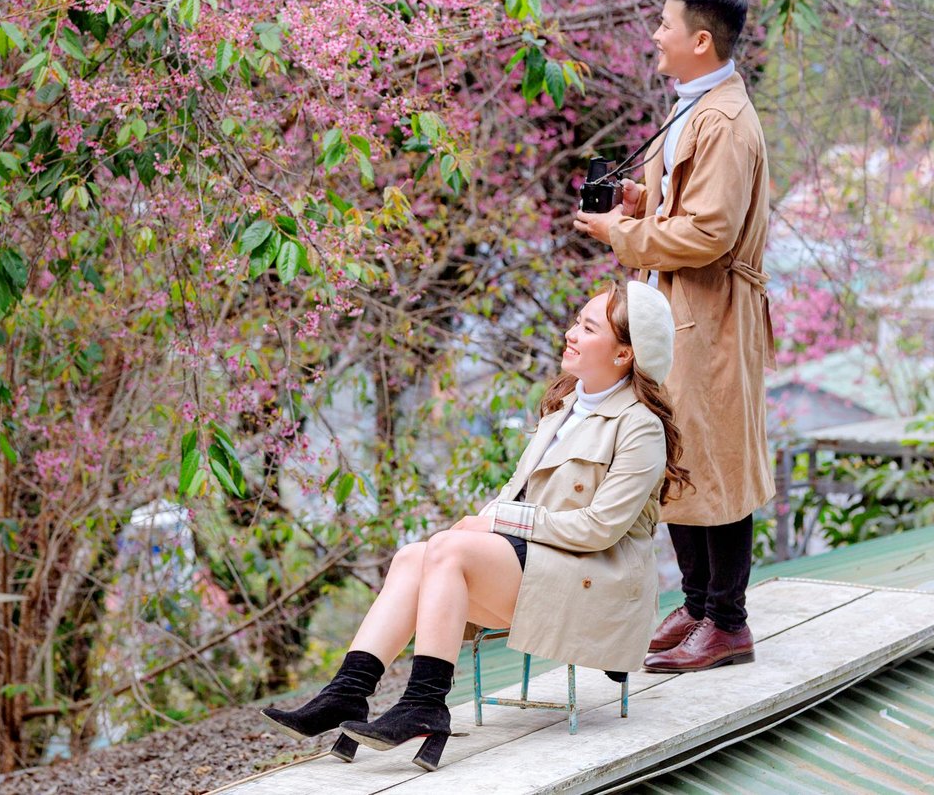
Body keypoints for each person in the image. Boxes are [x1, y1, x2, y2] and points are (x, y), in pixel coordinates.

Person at [261, 282, 687, 771]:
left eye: (588, 328)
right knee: (412, 556)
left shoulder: (639, 426)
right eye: (577, 321)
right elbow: (515, 491)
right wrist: (490, 520)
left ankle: (425, 702)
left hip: (598, 583)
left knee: (448, 550)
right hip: (547, 563)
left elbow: (599, 529)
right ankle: (348, 692)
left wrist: (497, 522)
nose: (571, 334)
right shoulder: (565, 407)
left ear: (624, 354)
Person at [573, 0, 774, 673]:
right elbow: (686, 205)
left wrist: (621, 236)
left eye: (664, 24)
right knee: (680, 449)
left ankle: (728, 620)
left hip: (711, 308)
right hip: (678, 307)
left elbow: (710, 232)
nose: (654, 35)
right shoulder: (695, 104)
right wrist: (636, 198)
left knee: (716, 456)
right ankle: (696, 601)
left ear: (699, 39)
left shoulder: (721, 120)